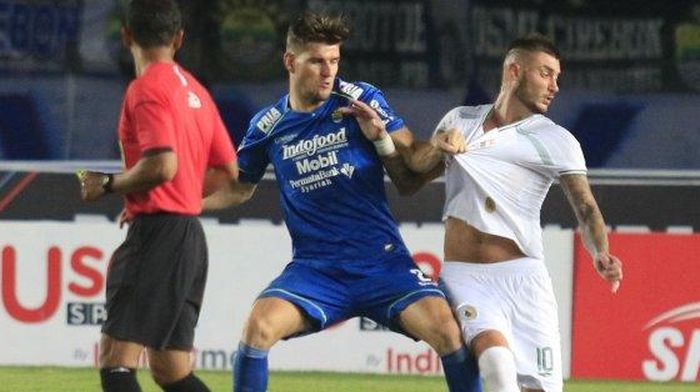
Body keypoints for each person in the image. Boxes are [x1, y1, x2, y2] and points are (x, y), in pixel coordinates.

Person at [204, 12, 481, 392]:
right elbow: (239, 187)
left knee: (449, 333)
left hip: (383, 264)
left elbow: (412, 156)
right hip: (317, 271)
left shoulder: (360, 100)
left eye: (334, 61)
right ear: (290, 62)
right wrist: (186, 204)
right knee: (258, 328)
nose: (328, 71)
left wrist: (440, 143)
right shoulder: (267, 126)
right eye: (317, 60)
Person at [431, 33, 624, 392]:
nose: (555, 87)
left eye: (557, 78)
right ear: (514, 71)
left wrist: (600, 251)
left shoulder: (556, 139)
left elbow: (585, 205)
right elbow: (414, 169)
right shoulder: (459, 120)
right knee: (496, 365)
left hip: (524, 280)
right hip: (466, 276)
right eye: (546, 74)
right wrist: (408, 144)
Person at [78, 1, 238, 391]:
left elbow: (162, 164)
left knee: (117, 362)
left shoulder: (146, 88)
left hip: (157, 237)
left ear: (126, 36)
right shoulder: (195, 91)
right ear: (178, 39)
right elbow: (227, 171)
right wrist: (181, 202)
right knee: (171, 369)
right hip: (187, 237)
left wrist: (110, 184)